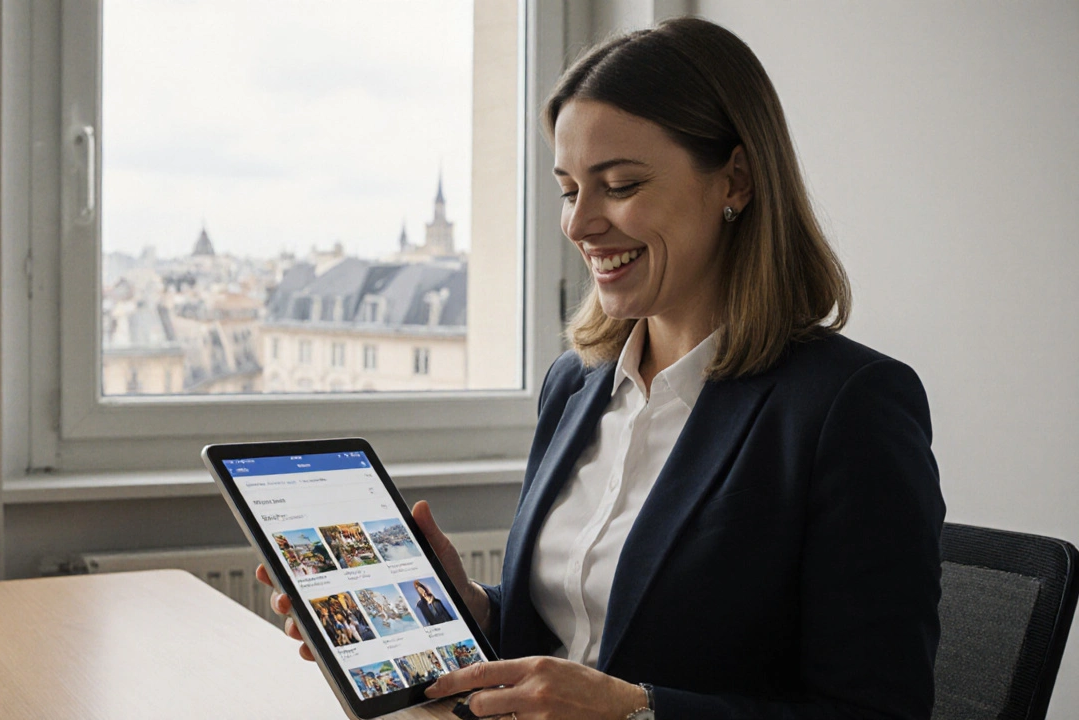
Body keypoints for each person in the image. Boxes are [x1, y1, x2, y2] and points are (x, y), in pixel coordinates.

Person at [260, 16, 943, 720]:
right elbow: (588, 632)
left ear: (734, 179)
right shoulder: (577, 383)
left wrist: (637, 712)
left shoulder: (848, 406)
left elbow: (880, 712)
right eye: (567, 189)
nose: (579, 224)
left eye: (618, 185)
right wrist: (474, 611)